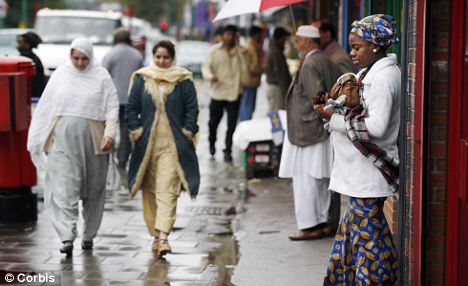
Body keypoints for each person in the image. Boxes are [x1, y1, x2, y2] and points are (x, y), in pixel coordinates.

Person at [318, 14, 400, 285]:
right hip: (358, 176)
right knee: (355, 236)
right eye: (352, 46)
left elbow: (376, 126)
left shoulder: (385, 77)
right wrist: (334, 107)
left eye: (358, 47)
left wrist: (337, 121)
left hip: (369, 175)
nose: (352, 52)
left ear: (375, 45)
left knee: (371, 244)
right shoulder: (368, 73)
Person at [27, 37, 119, 257]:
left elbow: (112, 107)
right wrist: (38, 137)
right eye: (75, 58)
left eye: (84, 58)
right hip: (63, 140)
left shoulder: (101, 76)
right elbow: (47, 105)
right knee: (64, 186)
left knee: (93, 189)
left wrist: (109, 134)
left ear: (91, 56)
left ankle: (88, 235)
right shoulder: (61, 74)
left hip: (94, 141)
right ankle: (67, 236)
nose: (79, 63)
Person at [126, 40, 200, 257]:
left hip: (173, 146)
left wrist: (188, 131)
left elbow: (192, 109)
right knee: (149, 192)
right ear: (153, 56)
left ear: (172, 58)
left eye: (166, 57)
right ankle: (156, 234)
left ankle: (163, 237)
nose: (161, 61)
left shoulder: (183, 79)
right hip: (147, 146)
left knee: (166, 190)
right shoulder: (142, 77)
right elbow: (131, 108)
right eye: (158, 56)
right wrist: (136, 130)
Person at [278, 25, 341, 241]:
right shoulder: (324, 60)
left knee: (307, 181)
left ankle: (309, 226)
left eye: (297, 40)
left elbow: (318, 98)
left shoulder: (311, 64)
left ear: (306, 41)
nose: (295, 45)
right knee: (319, 181)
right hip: (318, 130)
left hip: (309, 131)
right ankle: (323, 224)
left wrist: (326, 117)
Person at [102, 28, 143, 174]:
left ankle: (108, 155)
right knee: (126, 129)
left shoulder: (110, 54)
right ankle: (123, 158)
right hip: (131, 98)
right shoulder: (137, 55)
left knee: (109, 127)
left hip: (112, 98)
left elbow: (103, 75)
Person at [202, 24, 246, 162]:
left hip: (234, 94)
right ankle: (212, 143)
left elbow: (248, 65)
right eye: (227, 34)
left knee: (231, 125)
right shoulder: (214, 51)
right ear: (222, 36)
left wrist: (239, 47)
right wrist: (210, 76)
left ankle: (228, 150)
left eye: (233, 34)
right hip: (218, 93)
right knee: (213, 123)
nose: (230, 37)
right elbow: (206, 68)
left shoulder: (241, 52)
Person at [238, 25, 264, 121]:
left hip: (251, 82)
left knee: (248, 108)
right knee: (247, 108)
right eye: (260, 35)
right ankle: (244, 128)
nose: (262, 37)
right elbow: (253, 67)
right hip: (249, 81)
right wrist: (263, 69)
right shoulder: (251, 47)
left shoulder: (253, 46)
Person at [265, 27, 292, 111]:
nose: (285, 41)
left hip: (275, 87)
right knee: (277, 116)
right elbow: (281, 74)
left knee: (276, 114)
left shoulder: (274, 49)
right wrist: (287, 93)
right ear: (281, 38)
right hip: (276, 88)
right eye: (285, 38)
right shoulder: (276, 52)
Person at [17, 31, 45, 98]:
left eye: (20, 42)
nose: (17, 45)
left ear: (27, 44)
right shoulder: (34, 57)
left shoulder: (24, 58)